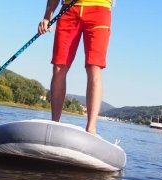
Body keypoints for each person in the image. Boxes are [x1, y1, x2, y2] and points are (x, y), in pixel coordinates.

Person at [38, 0, 113, 134]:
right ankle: (54, 125)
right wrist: (47, 16)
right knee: (59, 68)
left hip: (99, 10)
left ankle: (91, 129)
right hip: (69, 10)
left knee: (94, 68)